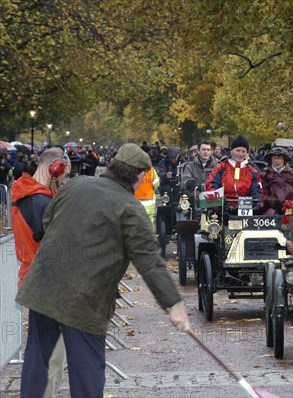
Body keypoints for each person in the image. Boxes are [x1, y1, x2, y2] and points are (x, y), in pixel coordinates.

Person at [16, 143, 190, 397]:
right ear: (139, 175)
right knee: (86, 375)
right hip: (85, 300)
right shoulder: (130, 209)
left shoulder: (76, 185)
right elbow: (150, 262)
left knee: (36, 366)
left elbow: (47, 221)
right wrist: (174, 305)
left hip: (44, 288)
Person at [11, 147, 70, 398]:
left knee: (42, 350)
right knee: (50, 354)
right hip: (48, 282)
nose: (65, 179)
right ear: (54, 168)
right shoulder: (40, 202)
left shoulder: (26, 194)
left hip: (37, 279)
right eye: (64, 173)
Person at [206, 135, 263, 210]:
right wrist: (222, 203)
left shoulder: (252, 170)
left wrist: (257, 204)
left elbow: (257, 189)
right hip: (223, 207)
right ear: (231, 150)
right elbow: (211, 186)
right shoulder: (220, 168)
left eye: (243, 151)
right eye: (238, 150)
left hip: (246, 207)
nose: (240, 154)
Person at [260, 147, 293, 215]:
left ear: (284, 160)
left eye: (279, 158)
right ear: (271, 160)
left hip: (291, 208)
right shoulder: (264, 174)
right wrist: (272, 202)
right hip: (271, 209)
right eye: (274, 158)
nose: (277, 161)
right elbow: (262, 193)